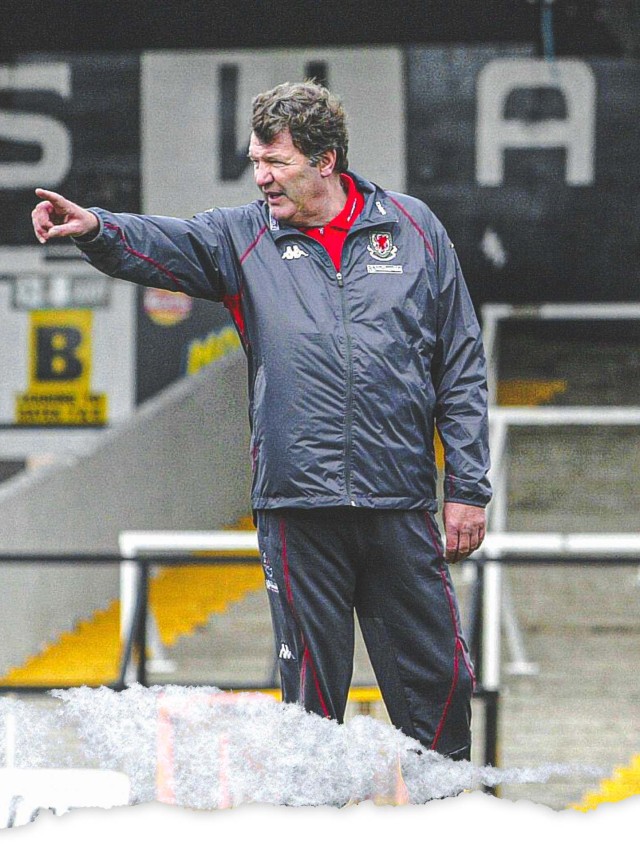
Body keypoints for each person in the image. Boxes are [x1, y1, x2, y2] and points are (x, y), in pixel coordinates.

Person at [32, 81, 491, 766]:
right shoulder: (241, 236)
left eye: (276, 163)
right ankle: (312, 828)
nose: (262, 178)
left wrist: (469, 487)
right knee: (309, 703)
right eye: (256, 161)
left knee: (441, 684)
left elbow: (460, 363)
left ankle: (448, 821)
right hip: (296, 505)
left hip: (399, 502)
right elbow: (164, 243)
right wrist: (96, 229)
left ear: (326, 160)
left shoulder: (415, 229)